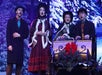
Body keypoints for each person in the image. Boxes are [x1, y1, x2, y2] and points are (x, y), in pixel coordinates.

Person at [28, 3, 52, 75]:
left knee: (45, 67)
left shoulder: (47, 22)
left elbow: (50, 32)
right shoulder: (35, 22)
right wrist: (37, 33)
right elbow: (31, 32)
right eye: (40, 10)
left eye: (43, 10)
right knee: (36, 69)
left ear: (45, 12)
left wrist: (46, 34)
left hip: (45, 44)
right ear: (38, 11)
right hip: (37, 44)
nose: (42, 12)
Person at [6, 6, 29, 75]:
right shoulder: (10, 21)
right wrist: (9, 45)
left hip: (19, 46)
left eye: (22, 11)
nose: (20, 11)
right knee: (10, 65)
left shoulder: (24, 23)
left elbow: (26, 34)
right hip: (12, 45)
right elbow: (8, 34)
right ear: (16, 11)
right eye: (19, 10)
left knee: (19, 66)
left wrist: (20, 35)